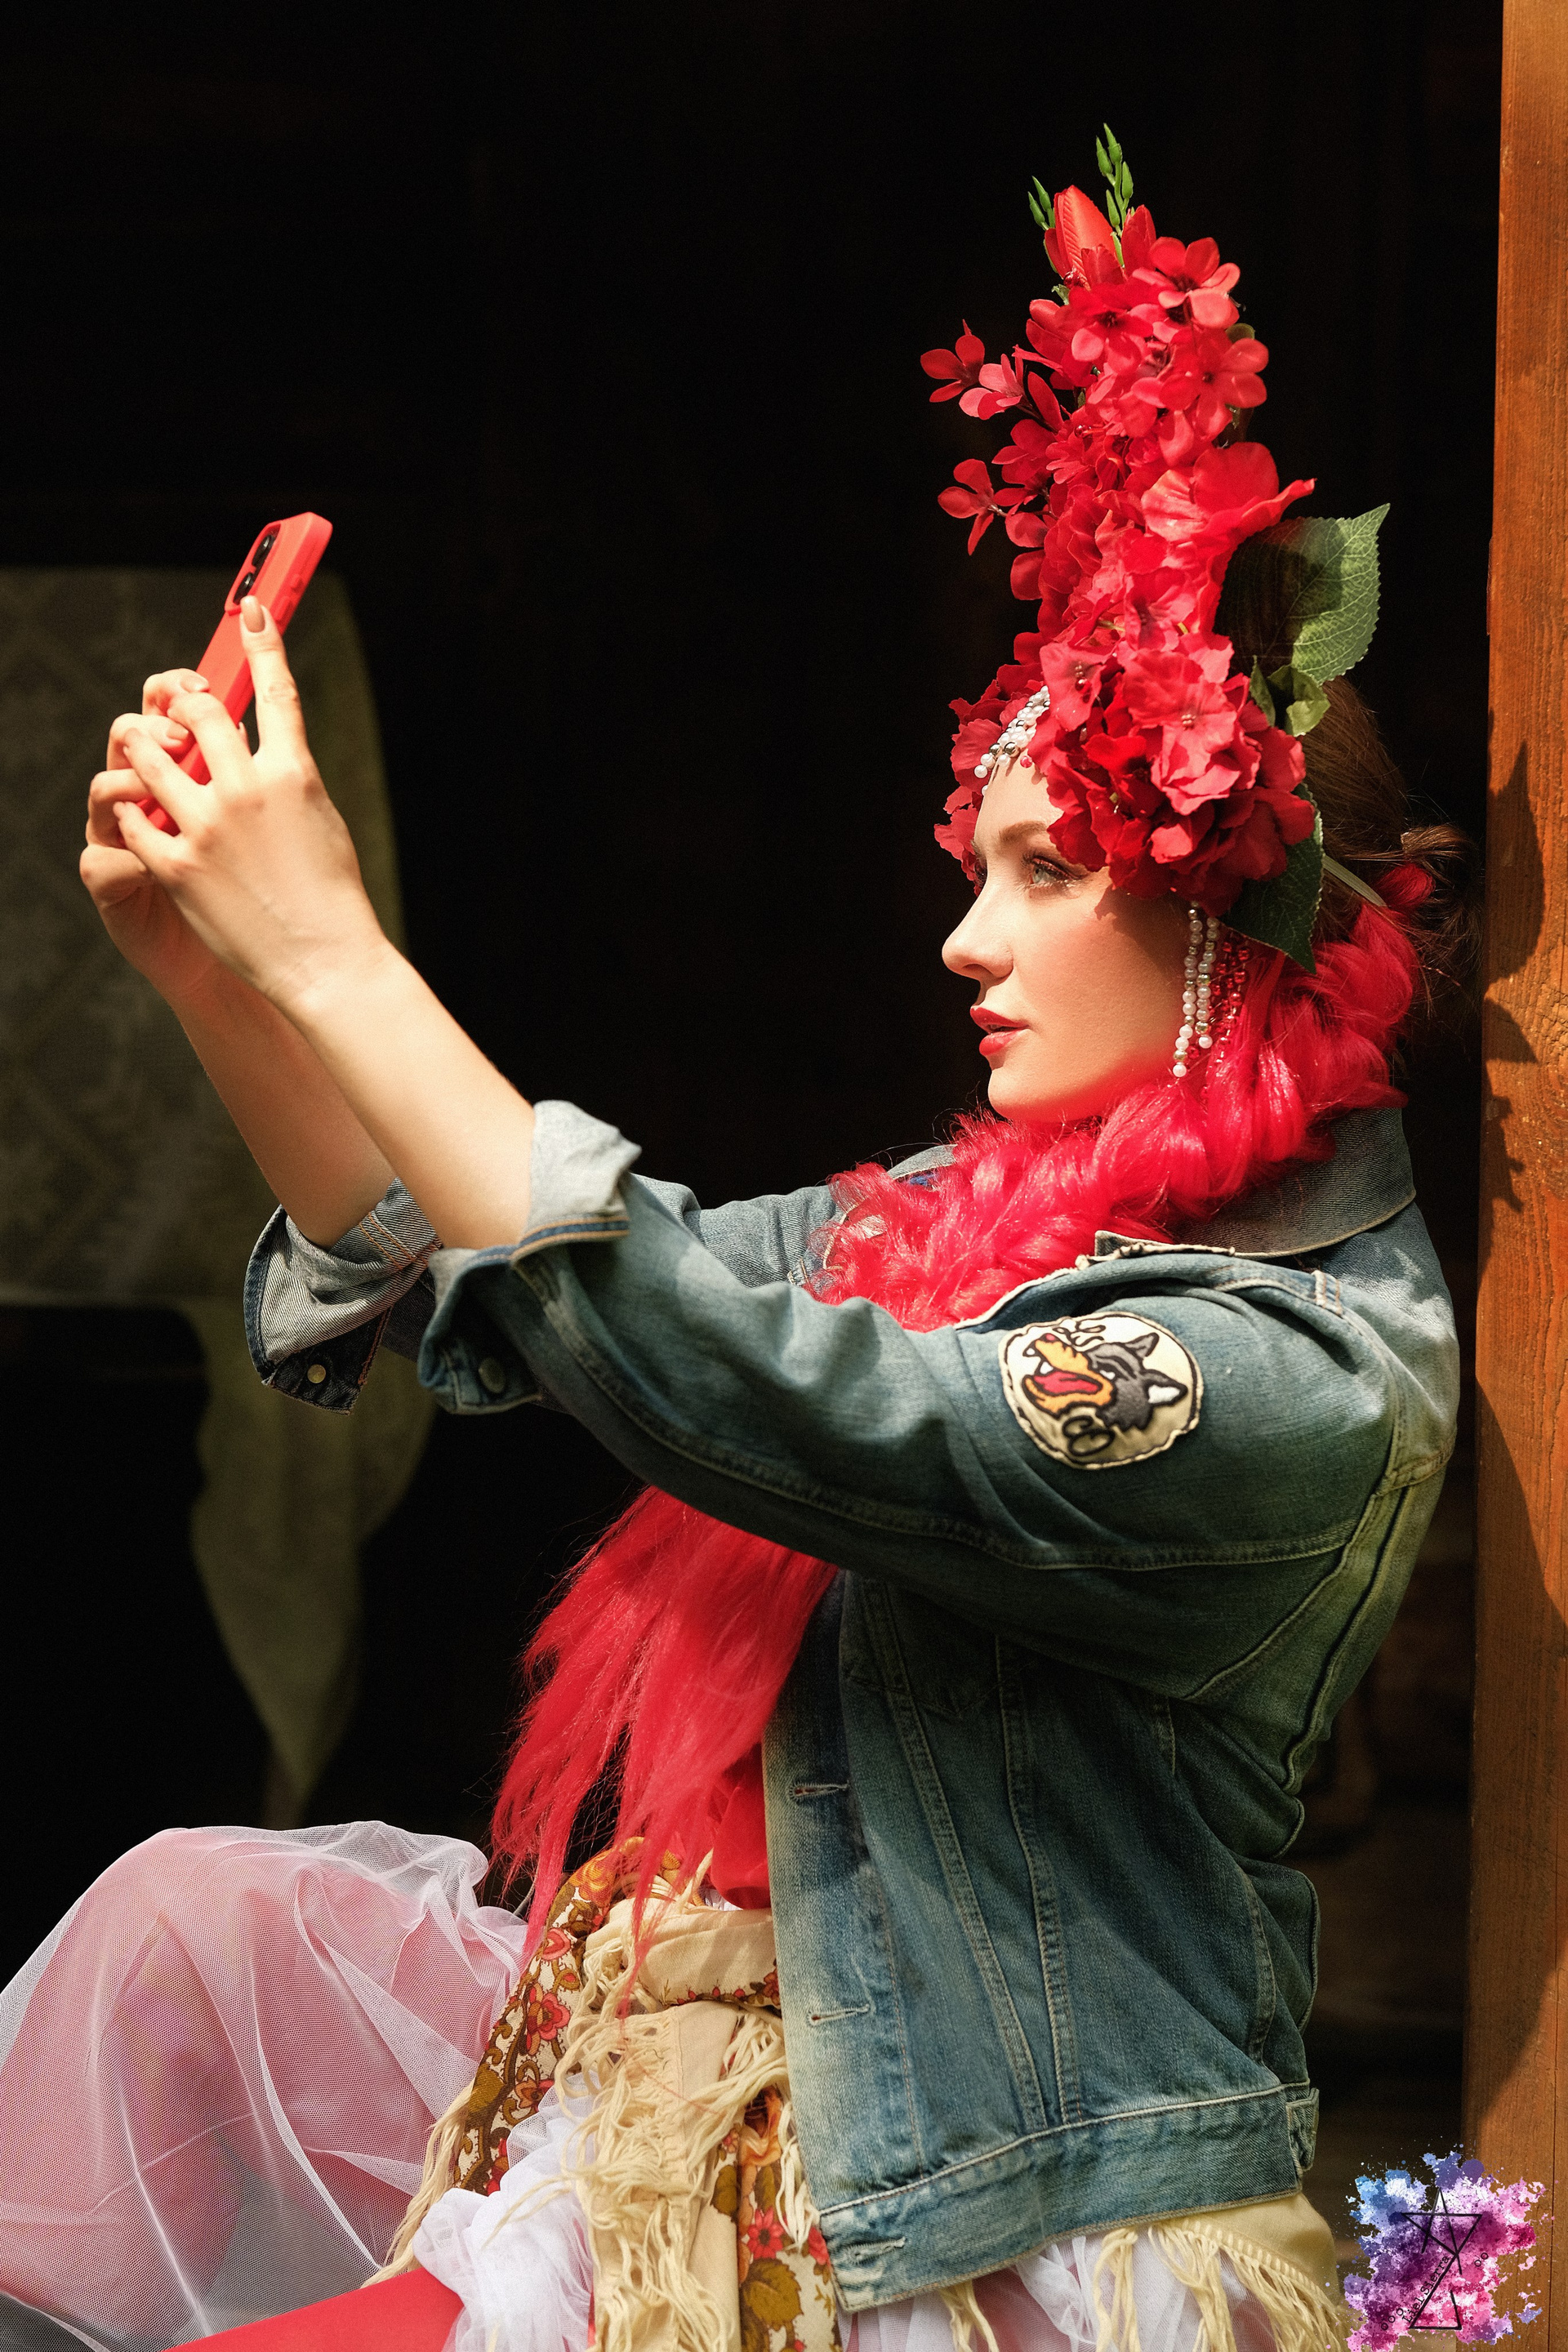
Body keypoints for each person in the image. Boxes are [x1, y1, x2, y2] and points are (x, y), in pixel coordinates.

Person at [0, 159, 1472, 2352]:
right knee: (184, 1925)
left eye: (1044, 871)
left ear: (1224, 925)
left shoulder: (1277, 1368)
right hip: (672, 2114)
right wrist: (229, 984)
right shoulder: (956, 1224)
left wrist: (337, 950)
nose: (964, 939)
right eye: (976, 866)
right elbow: (486, 1283)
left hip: (951, 2236)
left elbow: (739, 1381)